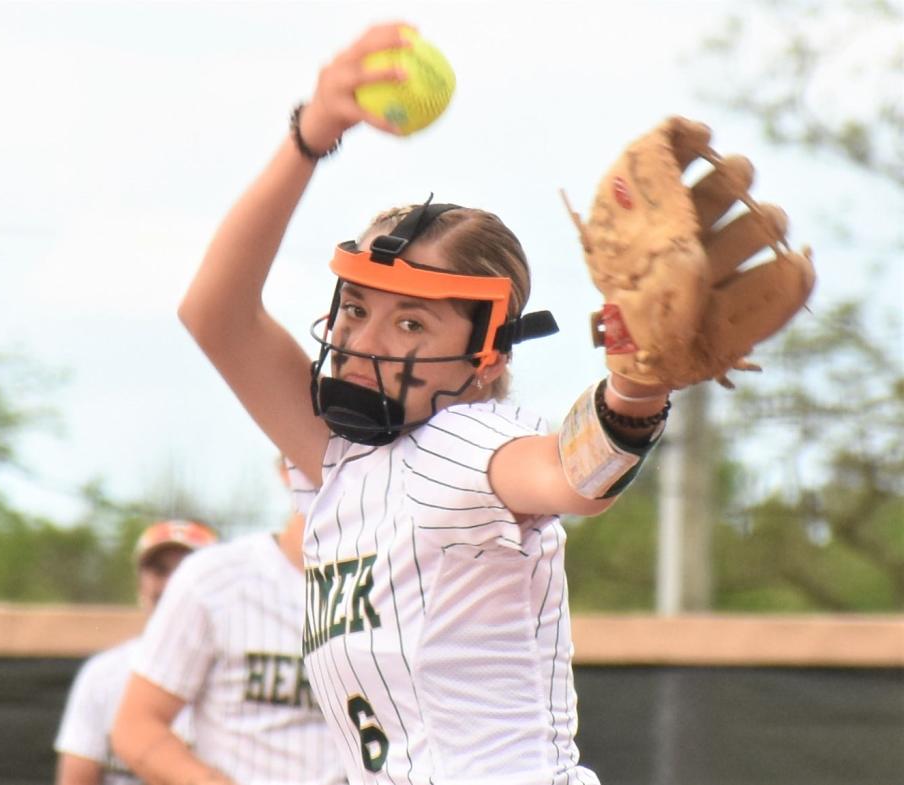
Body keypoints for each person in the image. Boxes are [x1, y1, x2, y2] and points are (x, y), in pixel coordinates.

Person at [174, 22, 676, 785]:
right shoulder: (340, 464)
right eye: (357, 306)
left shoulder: (469, 442)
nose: (364, 335)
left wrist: (634, 393)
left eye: (411, 320)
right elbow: (214, 311)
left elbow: (574, 476)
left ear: (487, 355)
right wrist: (309, 137)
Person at [110, 460, 346, 785]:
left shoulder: (402, 582)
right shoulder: (213, 577)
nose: (342, 458)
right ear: (284, 467)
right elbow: (136, 726)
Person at [54, 519, 218, 785]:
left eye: (187, 570)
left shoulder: (236, 670)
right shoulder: (104, 674)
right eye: (159, 570)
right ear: (140, 585)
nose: (170, 585)